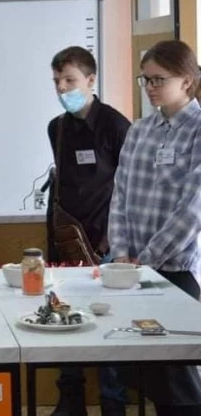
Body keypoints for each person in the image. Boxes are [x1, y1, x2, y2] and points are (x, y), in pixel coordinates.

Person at [109, 40, 201, 415]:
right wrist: (120, 255)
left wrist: (147, 260)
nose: (149, 87)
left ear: (187, 81)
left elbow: (193, 208)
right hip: (132, 272)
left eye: (158, 79)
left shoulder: (198, 130)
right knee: (145, 373)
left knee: (179, 382)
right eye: (145, 79)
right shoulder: (140, 130)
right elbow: (119, 194)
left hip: (176, 270)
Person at [46, 46, 130, 416]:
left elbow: (127, 188)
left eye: (70, 80)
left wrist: (113, 239)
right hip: (67, 244)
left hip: (108, 244)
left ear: (91, 80)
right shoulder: (57, 128)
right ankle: (71, 399)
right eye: (57, 81)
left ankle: (113, 403)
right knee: (65, 319)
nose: (62, 88)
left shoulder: (116, 125)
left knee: (109, 324)